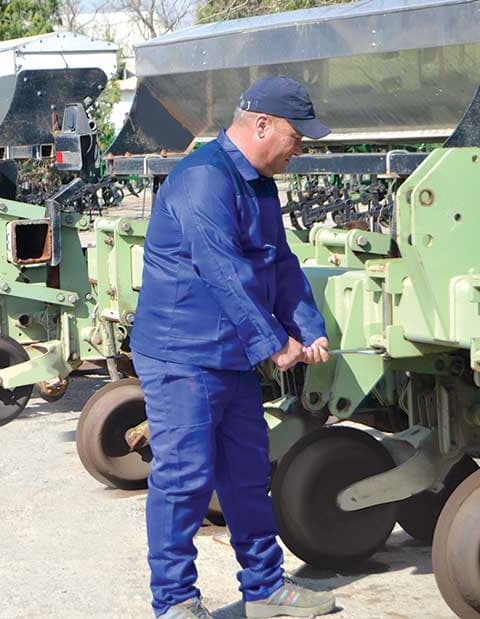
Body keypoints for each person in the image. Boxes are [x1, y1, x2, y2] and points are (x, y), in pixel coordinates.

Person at [130, 76, 335, 618]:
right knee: (185, 479)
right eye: (297, 136)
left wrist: (309, 330)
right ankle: (175, 602)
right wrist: (275, 346)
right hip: (181, 353)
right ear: (262, 124)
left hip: (229, 354)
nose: (300, 148)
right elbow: (225, 273)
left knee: (246, 474)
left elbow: (280, 264)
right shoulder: (204, 180)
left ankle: (265, 589)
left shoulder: (260, 184)